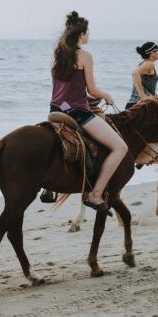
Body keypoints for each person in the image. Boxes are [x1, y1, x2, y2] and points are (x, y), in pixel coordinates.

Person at [50, 11, 128, 210]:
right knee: (121, 148)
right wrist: (105, 96)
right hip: (76, 112)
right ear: (81, 34)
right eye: (88, 32)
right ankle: (95, 194)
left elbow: (65, 89)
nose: (89, 36)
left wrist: (89, 97)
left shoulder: (57, 54)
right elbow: (92, 89)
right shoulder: (85, 56)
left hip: (56, 108)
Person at [125, 42, 158, 109]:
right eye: (157, 51)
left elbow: (147, 86)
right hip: (139, 106)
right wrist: (143, 96)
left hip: (135, 105)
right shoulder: (150, 64)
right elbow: (134, 74)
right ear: (152, 53)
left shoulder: (144, 63)